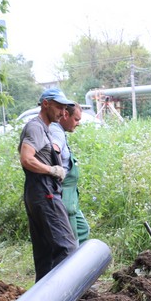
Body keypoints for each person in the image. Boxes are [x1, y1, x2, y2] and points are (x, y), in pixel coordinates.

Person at [19, 88, 78, 281]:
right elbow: (26, 159)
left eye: (64, 108)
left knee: (45, 254)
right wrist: (52, 170)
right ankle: (65, 299)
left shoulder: (44, 128)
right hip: (44, 192)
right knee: (67, 248)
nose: (63, 112)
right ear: (46, 104)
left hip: (38, 192)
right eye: (59, 107)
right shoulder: (35, 127)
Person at [50, 103, 90, 244]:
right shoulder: (56, 131)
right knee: (72, 240)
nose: (78, 124)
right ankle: (74, 263)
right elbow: (54, 150)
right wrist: (56, 171)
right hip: (64, 195)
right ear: (66, 115)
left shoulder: (60, 131)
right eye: (76, 119)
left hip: (71, 195)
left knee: (83, 229)